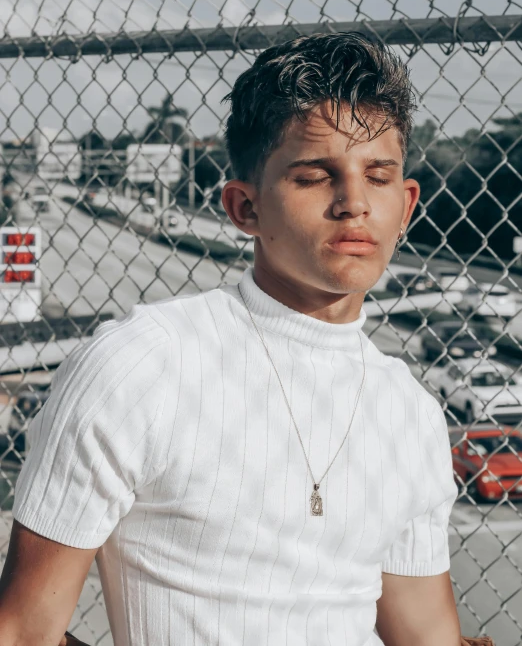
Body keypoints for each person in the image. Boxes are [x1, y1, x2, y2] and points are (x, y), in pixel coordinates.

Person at [0, 33, 461, 646]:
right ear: (245, 209)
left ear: (405, 207)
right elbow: (24, 630)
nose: (354, 203)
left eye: (378, 177)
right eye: (315, 176)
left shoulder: (412, 414)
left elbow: (427, 635)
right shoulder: (141, 364)